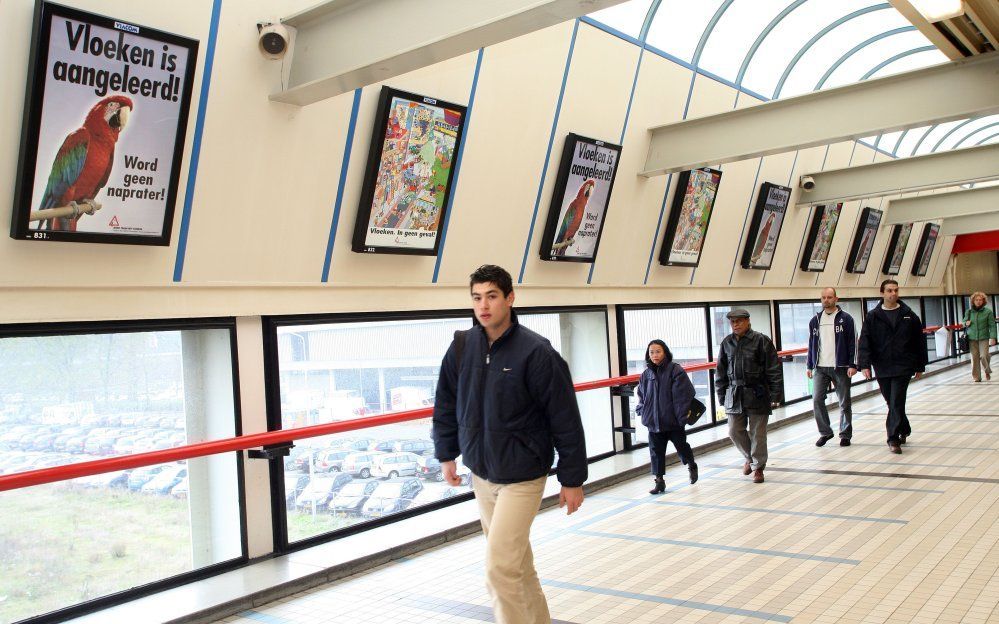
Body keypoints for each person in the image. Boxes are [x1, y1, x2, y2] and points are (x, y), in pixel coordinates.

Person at [431, 264, 587, 624]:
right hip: (482, 474)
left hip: (523, 475)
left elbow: (565, 418)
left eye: (492, 296)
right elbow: (445, 403)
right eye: (477, 298)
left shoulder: (536, 352)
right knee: (516, 565)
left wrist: (572, 478)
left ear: (510, 298)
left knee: (499, 569)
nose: (483, 306)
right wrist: (446, 454)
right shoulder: (461, 347)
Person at [858, 279, 928, 454]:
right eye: (889, 290)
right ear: (882, 293)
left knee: (896, 400)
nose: (893, 294)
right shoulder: (873, 316)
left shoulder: (909, 315)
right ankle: (904, 427)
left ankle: (893, 438)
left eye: (896, 290)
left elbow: (919, 342)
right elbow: (865, 341)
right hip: (882, 366)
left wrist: (920, 365)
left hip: (903, 366)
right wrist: (864, 364)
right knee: (891, 401)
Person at [715, 308, 783, 484]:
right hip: (734, 394)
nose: (735, 325)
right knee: (734, 430)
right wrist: (721, 395)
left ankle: (758, 468)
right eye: (732, 322)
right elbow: (720, 372)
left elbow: (773, 369)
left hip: (757, 393)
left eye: (739, 321)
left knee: (757, 433)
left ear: (747, 321)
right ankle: (750, 458)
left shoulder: (761, 341)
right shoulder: (726, 343)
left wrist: (776, 394)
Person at [635, 339, 698, 494]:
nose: (654, 355)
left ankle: (691, 464)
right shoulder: (646, 374)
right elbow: (641, 395)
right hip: (654, 422)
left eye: (658, 351)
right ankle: (659, 481)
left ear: (665, 352)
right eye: (651, 352)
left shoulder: (675, 370)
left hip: (673, 421)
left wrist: (680, 417)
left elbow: (685, 393)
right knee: (655, 452)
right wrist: (642, 409)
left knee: (682, 447)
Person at [806, 287, 858, 447]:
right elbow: (811, 344)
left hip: (841, 367)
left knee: (844, 402)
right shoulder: (815, 320)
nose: (826, 300)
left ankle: (845, 434)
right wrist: (809, 365)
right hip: (820, 367)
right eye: (823, 297)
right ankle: (825, 432)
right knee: (816, 400)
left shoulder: (847, 319)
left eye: (829, 297)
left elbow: (853, 342)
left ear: (836, 299)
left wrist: (853, 364)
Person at [963, 291, 996, 382]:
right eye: (976, 300)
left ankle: (987, 371)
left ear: (983, 301)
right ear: (973, 301)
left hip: (984, 337)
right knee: (974, 358)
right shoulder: (969, 312)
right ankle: (977, 377)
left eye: (980, 300)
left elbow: (992, 325)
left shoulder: (988, 312)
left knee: (984, 355)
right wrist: (966, 323)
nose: (978, 301)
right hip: (972, 338)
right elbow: (963, 322)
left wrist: (993, 337)